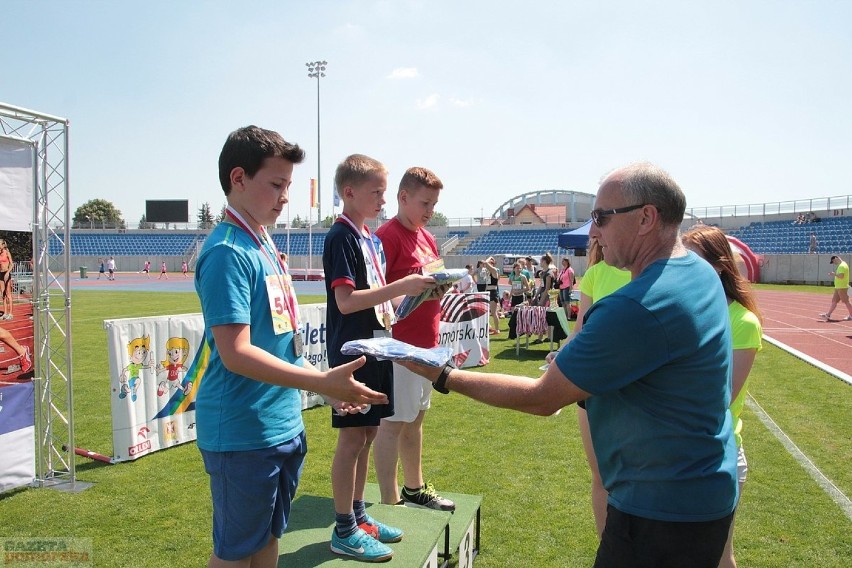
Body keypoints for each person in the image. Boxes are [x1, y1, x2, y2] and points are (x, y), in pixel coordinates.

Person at [402, 162, 739, 567]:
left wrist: (443, 375)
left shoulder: (638, 305)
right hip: (702, 490)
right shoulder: (698, 272)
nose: (593, 232)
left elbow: (544, 398)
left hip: (660, 511)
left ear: (647, 217)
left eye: (601, 218)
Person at [193, 126, 388, 568]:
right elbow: (236, 352)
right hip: (242, 431)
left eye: (289, 186)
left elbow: (284, 342)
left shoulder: (264, 244)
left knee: (267, 542)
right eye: (276, 185)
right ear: (238, 178)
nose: (285, 197)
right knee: (235, 554)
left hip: (281, 424)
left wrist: (327, 389)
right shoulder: (227, 251)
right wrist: (321, 381)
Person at [323, 154, 435, 562]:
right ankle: (343, 528)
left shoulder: (367, 236)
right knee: (352, 437)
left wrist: (415, 293)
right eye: (377, 193)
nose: (383, 201)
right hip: (353, 351)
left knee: (368, 433)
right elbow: (346, 300)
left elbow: (379, 302)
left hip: (376, 344)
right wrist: (401, 285)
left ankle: (358, 515)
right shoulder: (342, 237)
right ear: (349, 192)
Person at [373, 166, 456, 514]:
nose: (430, 211)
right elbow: (375, 294)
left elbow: (430, 279)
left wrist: (438, 285)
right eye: (425, 202)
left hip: (427, 343)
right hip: (399, 346)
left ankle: (414, 487)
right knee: (392, 423)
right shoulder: (385, 236)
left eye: (434, 204)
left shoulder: (426, 237)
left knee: (416, 419)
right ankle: (391, 501)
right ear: (403, 197)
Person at [682, 224, 763, 568]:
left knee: (717, 556)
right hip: (675, 450)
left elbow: (722, 396)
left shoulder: (742, 321)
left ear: (718, 266)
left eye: (692, 261)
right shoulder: (684, 311)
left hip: (716, 454)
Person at [546, 238, 630, 537]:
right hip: (594, 391)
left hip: (636, 394)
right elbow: (581, 330)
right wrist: (561, 355)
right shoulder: (595, 274)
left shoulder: (655, 272)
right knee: (601, 477)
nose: (598, 240)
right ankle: (606, 549)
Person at [531, 252, 555, 343]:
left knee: (544, 317)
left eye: (541, 261)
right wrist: (536, 296)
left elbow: (547, 289)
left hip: (548, 298)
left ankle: (542, 337)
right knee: (544, 317)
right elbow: (541, 286)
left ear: (544, 261)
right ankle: (547, 336)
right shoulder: (542, 273)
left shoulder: (549, 273)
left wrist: (542, 300)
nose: (540, 263)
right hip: (543, 296)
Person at [820, 255, 852, 321]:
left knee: (846, 301)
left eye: (833, 261)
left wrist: (834, 274)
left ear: (836, 258)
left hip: (842, 287)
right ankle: (828, 314)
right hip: (838, 287)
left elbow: (841, 276)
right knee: (834, 301)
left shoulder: (842, 266)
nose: (834, 263)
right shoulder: (841, 265)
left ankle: (851, 315)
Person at [482, 256, 500, 334]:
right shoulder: (488, 273)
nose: (487, 266)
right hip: (488, 292)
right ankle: (489, 327)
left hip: (493, 292)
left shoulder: (494, 271)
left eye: (489, 264)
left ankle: (497, 329)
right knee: (486, 312)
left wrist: (490, 258)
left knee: (493, 313)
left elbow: (485, 262)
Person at [0, 239, 13, 320]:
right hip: (0, 274)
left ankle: (10, 313)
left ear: (2, 245)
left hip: (6, 273)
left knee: (8, 294)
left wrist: (8, 272)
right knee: (3, 294)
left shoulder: (7, 252)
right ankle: (4, 313)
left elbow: (12, 264)